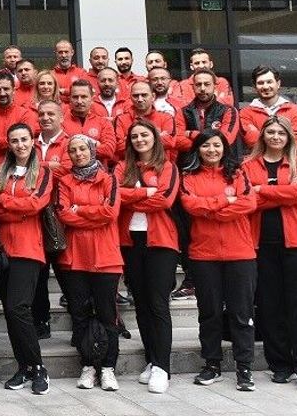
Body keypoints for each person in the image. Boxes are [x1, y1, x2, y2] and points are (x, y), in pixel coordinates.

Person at [242, 115, 297, 389]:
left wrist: (262, 189)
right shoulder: (247, 165)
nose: (276, 137)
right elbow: (247, 201)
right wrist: (279, 193)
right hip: (261, 244)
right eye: (271, 132)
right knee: (270, 307)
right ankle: (280, 365)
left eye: (281, 133)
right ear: (262, 136)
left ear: (289, 137)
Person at [181, 131, 257, 391]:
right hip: (204, 254)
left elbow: (248, 204)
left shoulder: (238, 174)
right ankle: (211, 364)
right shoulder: (189, 177)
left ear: (225, 148)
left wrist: (211, 210)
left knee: (241, 313)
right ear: (198, 149)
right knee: (209, 313)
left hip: (240, 253)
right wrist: (226, 200)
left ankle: (244, 367)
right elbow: (191, 206)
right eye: (206, 146)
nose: (211, 150)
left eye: (216, 145)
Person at [115, 120, 179, 394]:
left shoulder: (168, 167)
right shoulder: (122, 167)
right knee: (141, 303)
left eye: (144, 135)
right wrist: (144, 192)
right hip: (131, 242)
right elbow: (116, 195)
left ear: (154, 137)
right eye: (135, 136)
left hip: (161, 242)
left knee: (158, 304)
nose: (140, 139)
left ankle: (162, 367)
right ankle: (151, 360)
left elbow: (164, 200)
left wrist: (133, 196)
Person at [56, 134, 122, 392]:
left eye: (83, 148)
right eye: (73, 150)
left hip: (105, 257)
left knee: (108, 315)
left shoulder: (109, 179)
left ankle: (108, 367)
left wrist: (80, 209)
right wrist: (93, 211)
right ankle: (87, 366)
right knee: (80, 315)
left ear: (92, 151)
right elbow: (64, 214)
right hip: (75, 258)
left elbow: (110, 213)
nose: (78, 153)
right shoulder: (64, 181)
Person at [0, 124, 52, 395]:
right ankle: (24, 366)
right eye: (14, 140)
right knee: (10, 310)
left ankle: (38, 367)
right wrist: (18, 207)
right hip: (2, 248)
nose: (20, 145)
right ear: (9, 144)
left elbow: (36, 205)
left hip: (28, 249)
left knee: (19, 307)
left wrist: (6, 202)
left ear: (32, 141)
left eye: (24, 139)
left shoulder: (43, 172)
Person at [238, 65, 297, 150]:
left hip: (290, 158)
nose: (265, 87)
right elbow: (252, 141)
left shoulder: (296, 111)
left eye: (269, 82)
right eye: (260, 83)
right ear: (254, 86)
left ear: (278, 84)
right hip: (260, 159)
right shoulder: (245, 114)